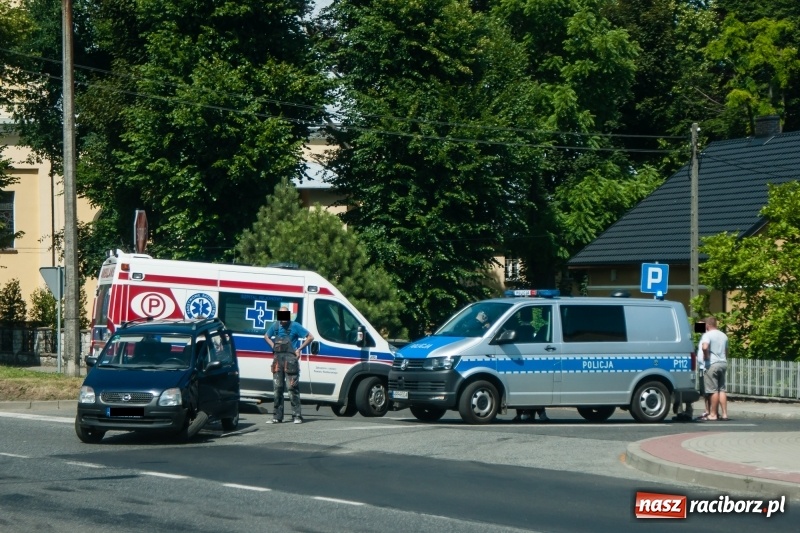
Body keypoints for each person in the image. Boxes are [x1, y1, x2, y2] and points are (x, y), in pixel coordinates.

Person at [264, 307, 314, 424]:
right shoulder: (275, 326)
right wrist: (273, 346)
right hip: (277, 360)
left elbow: (310, 337)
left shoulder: (295, 326)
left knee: (292, 388)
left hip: (291, 360)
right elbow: (266, 336)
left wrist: (299, 349)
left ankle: (297, 416)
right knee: (278, 388)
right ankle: (277, 416)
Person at [699, 316, 729, 421]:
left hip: (712, 364)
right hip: (723, 363)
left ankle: (713, 414)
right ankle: (725, 414)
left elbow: (705, 347)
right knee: (722, 389)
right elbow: (726, 351)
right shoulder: (724, 335)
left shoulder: (707, 335)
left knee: (713, 390)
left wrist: (706, 356)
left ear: (707, 325)